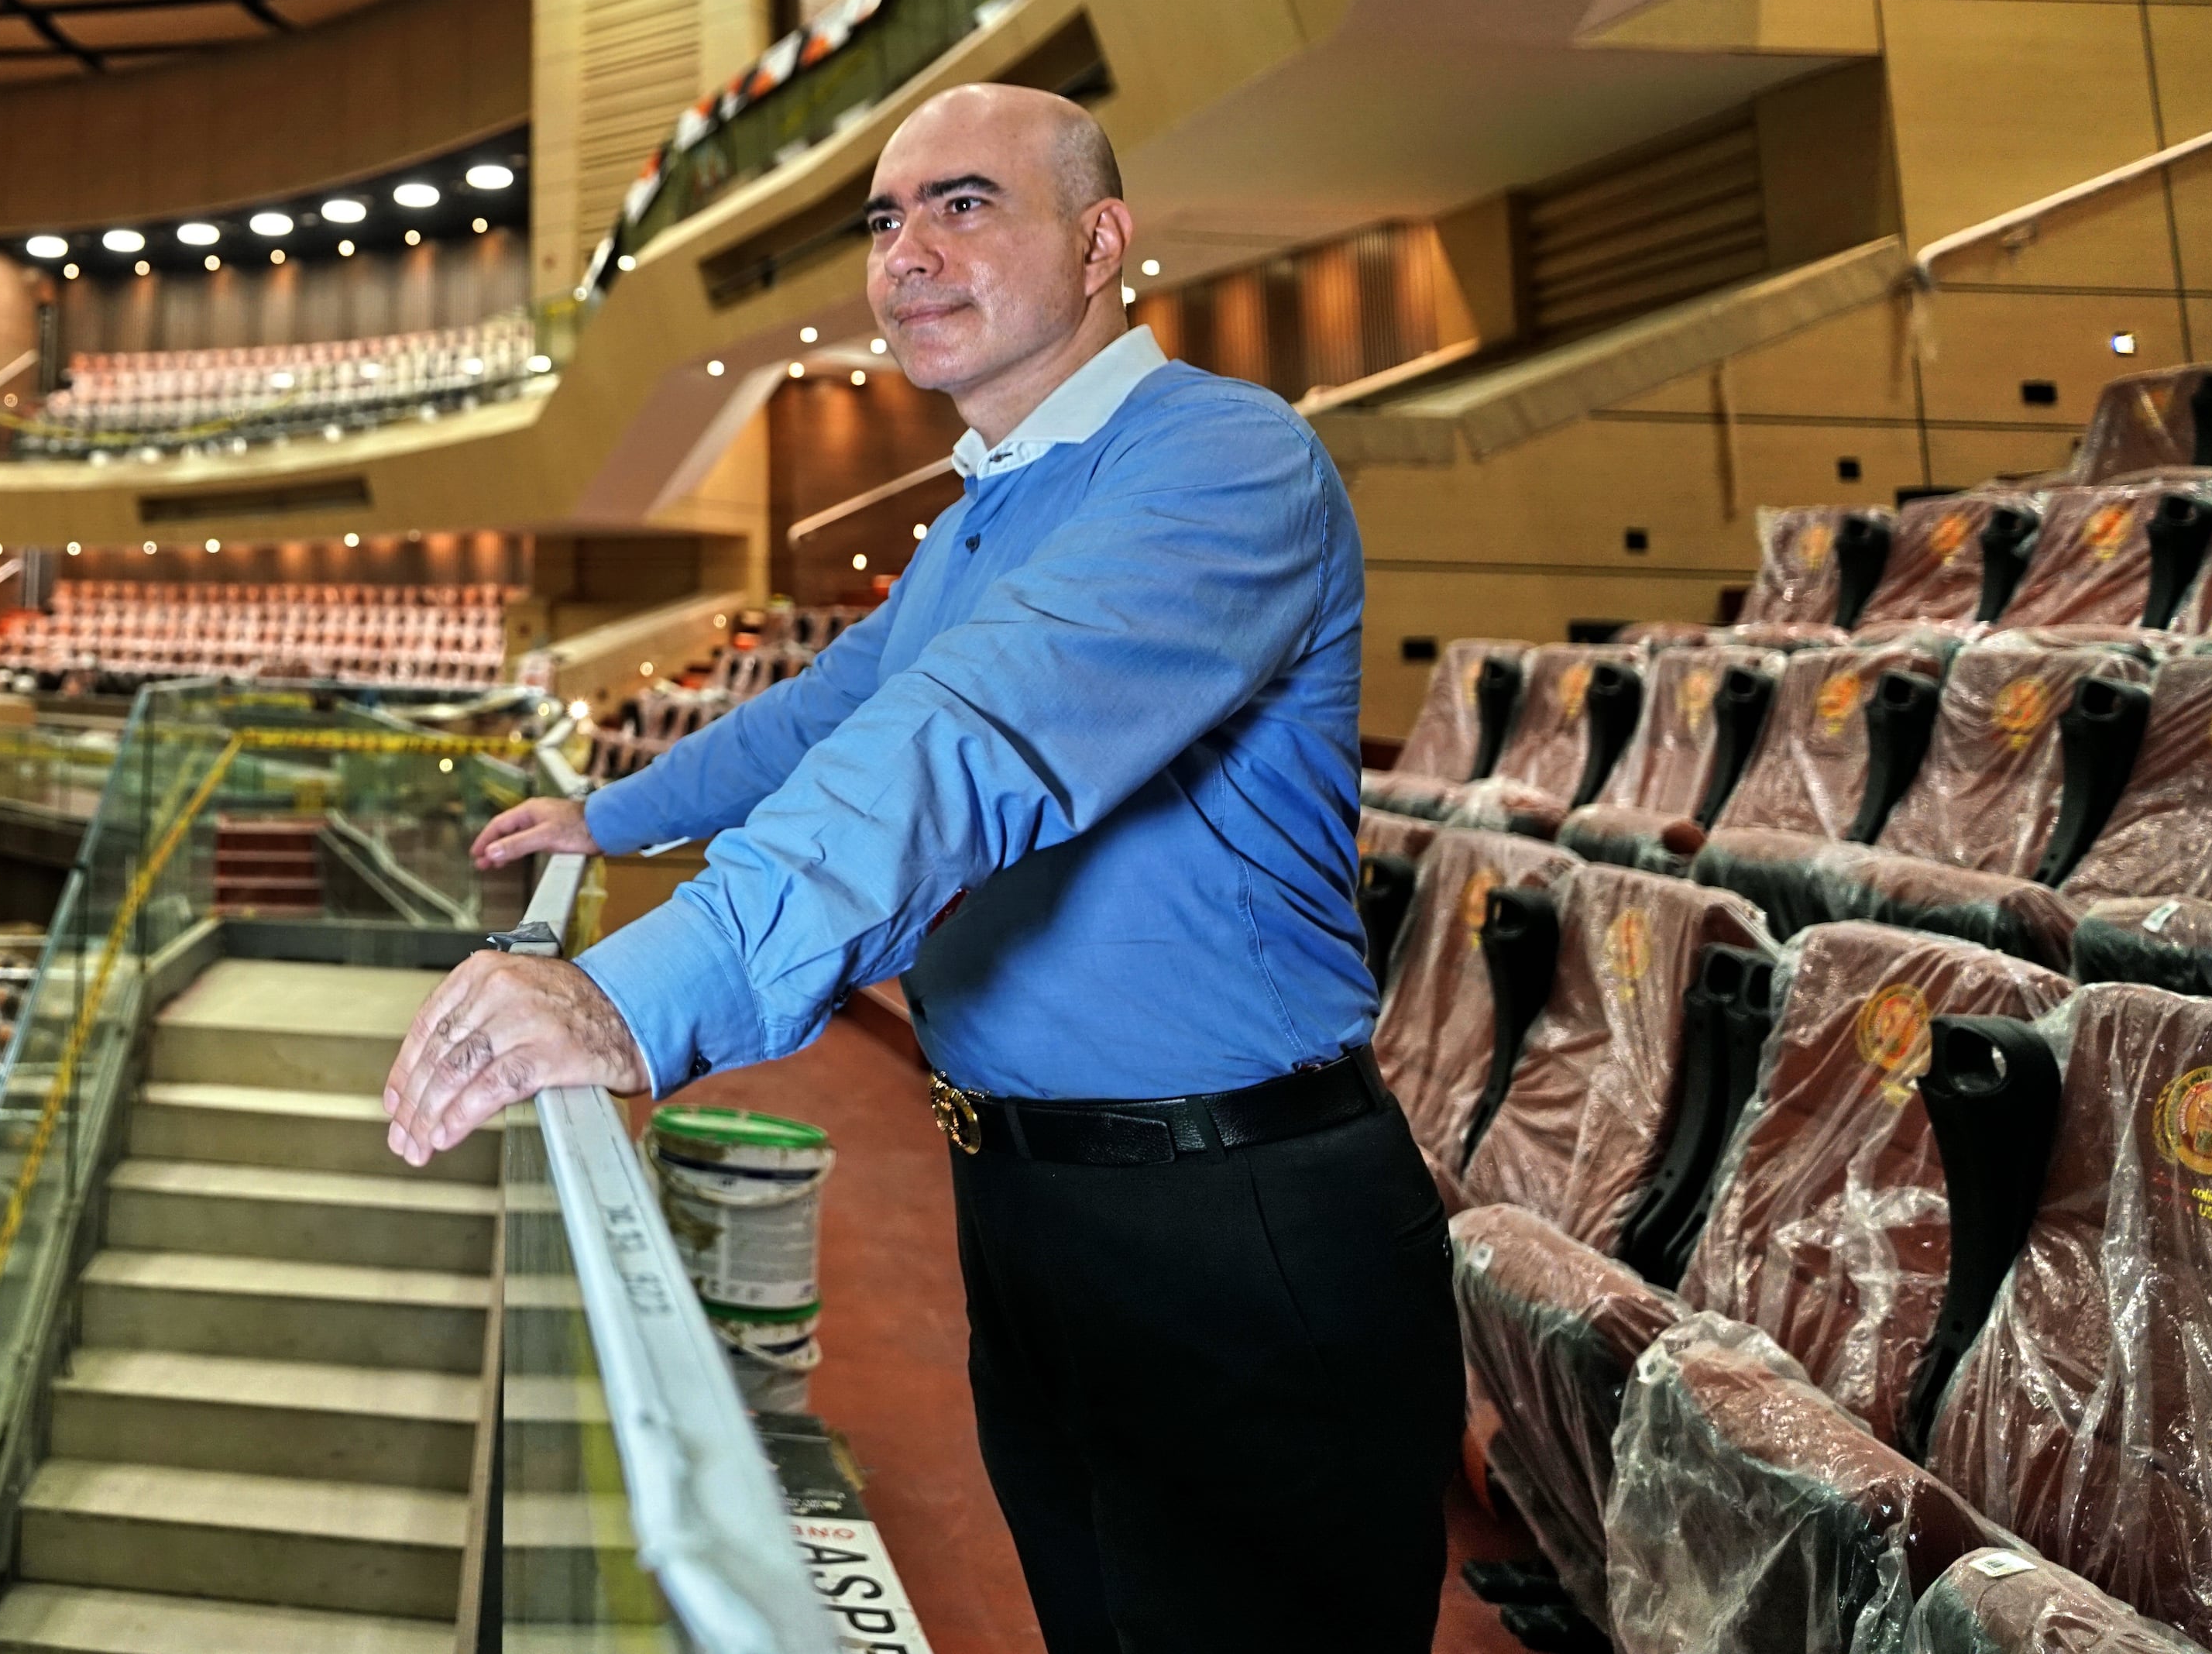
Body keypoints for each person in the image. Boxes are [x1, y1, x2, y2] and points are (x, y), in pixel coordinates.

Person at [380, 82, 1458, 1654]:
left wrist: (640, 991)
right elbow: (831, 707)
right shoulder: (978, 521)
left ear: (1099, 244)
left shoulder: (1225, 459)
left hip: (1233, 1227)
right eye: (885, 219)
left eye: (965, 204)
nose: (905, 253)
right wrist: (604, 820)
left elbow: (964, 738)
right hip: (1030, 1208)